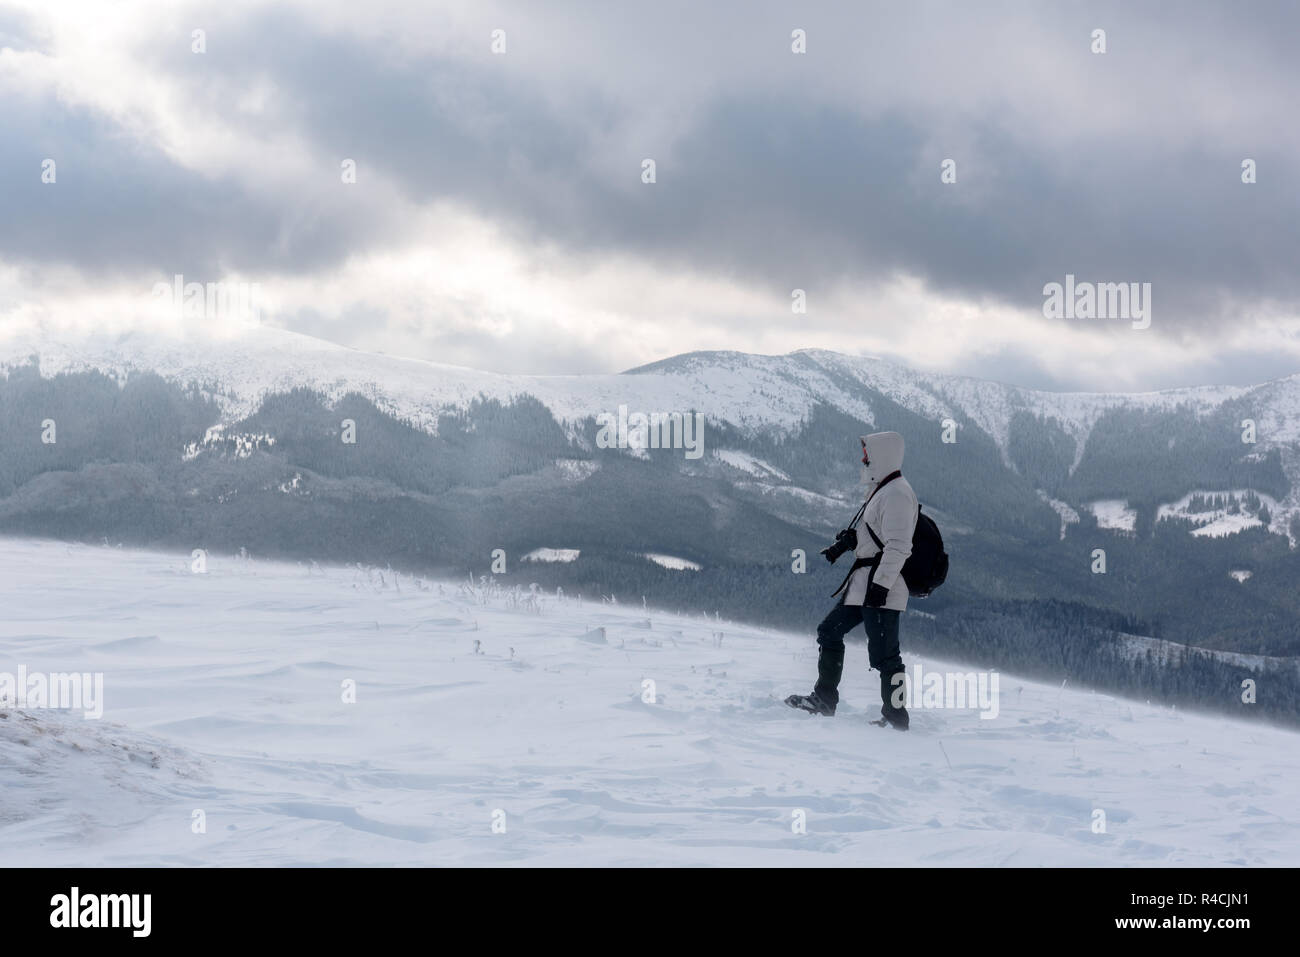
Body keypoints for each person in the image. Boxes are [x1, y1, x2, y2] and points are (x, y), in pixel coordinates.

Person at [786, 431, 918, 729]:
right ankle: (824, 700)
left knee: (886, 657)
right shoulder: (882, 490)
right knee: (829, 631)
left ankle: (896, 719)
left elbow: (899, 546)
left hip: (882, 587)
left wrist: (881, 586)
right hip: (863, 586)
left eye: (867, 454)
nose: (864, 459)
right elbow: (876, 535)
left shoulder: (897, 493)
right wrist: (847, 543)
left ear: (882, 455)